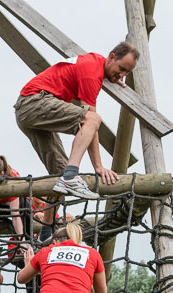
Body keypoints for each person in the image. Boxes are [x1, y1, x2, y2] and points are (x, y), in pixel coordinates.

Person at [14, 42, 139, 200]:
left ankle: (49, 224)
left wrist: (113, 76)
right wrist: (98, 167)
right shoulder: (91, 73)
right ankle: (71, 175)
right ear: (112, 57)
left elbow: (101, 71)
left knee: (58, 172)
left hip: (27, 110)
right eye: (121, 69)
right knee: (93, 119)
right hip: (33, 103)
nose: (122, 75)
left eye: (126, 72)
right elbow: (91, 125)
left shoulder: (97, 63)